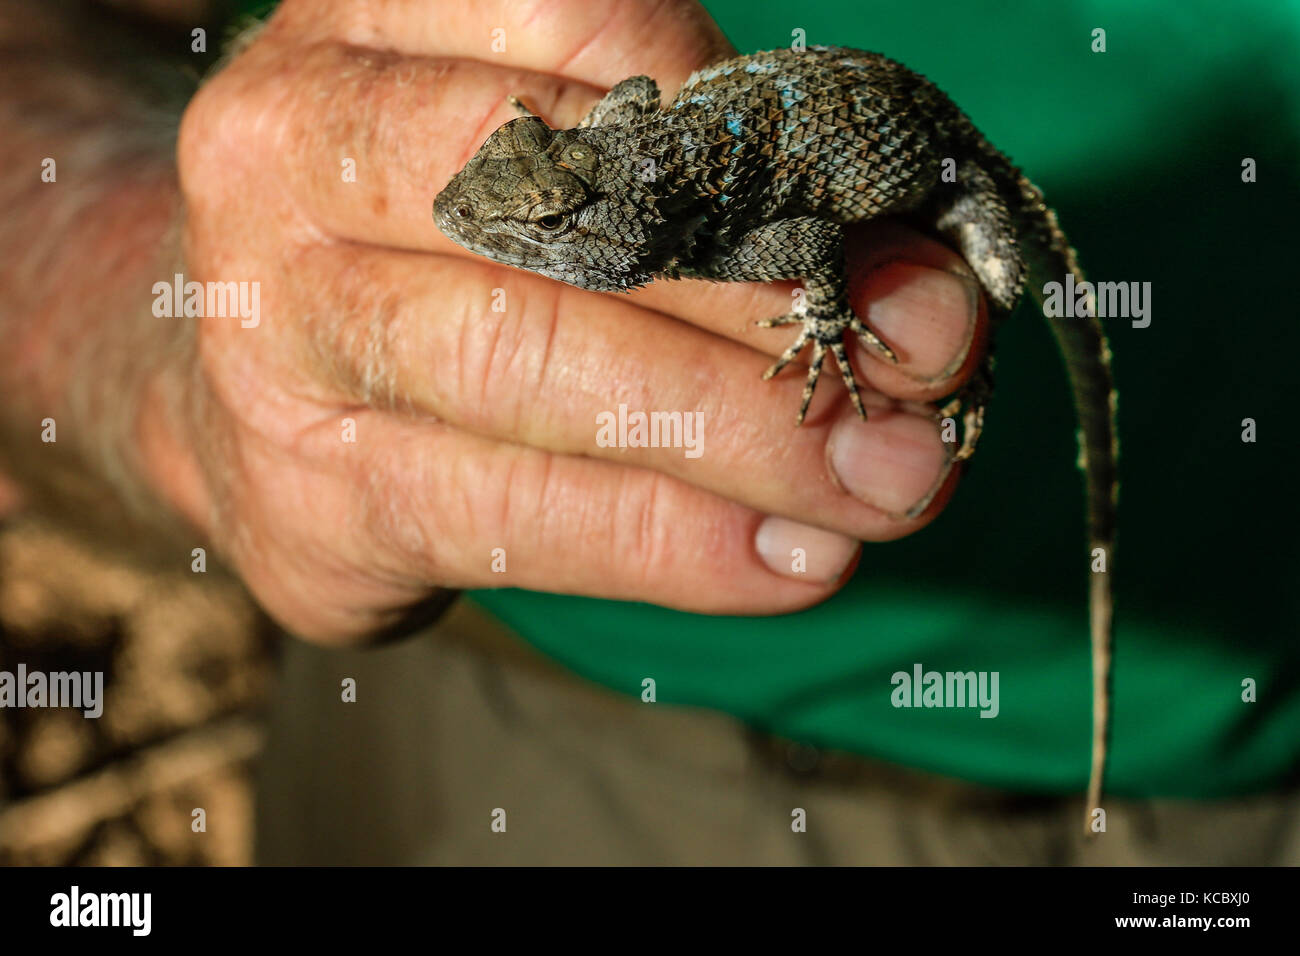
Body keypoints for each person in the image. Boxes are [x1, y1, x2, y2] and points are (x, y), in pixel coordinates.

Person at [3, 0, 1296, 865]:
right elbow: (632, 103)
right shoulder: (661, 184)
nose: (489, 228)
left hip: (1249, 782)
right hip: (549, 731)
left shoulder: (726, 222)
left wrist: (826, 325)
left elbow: (789, 235)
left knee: (1004, 287)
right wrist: (163, 322)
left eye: (538, 227)